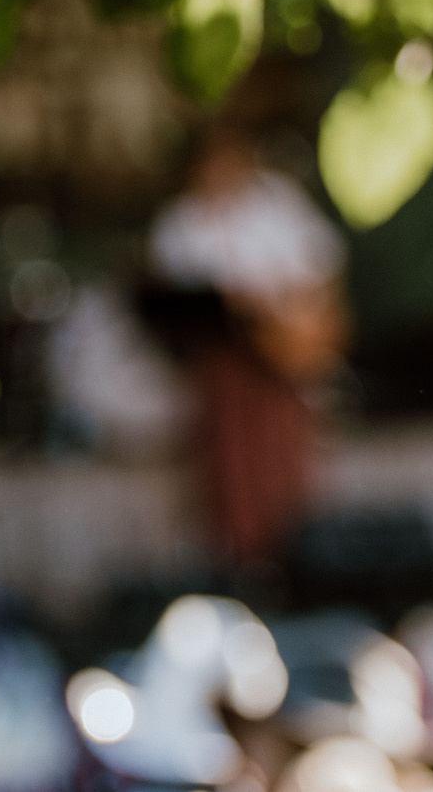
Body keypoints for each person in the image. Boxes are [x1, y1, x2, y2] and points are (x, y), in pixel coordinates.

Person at [142, 127, 349, 570]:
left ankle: (296, 549)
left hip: (285, 359)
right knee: (233, 457)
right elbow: (178, 299)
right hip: (227, 362)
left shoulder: (278, 201)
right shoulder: (180, 225)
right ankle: (245, 557)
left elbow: (324, 266)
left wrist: (297, 312)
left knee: (286, 450)